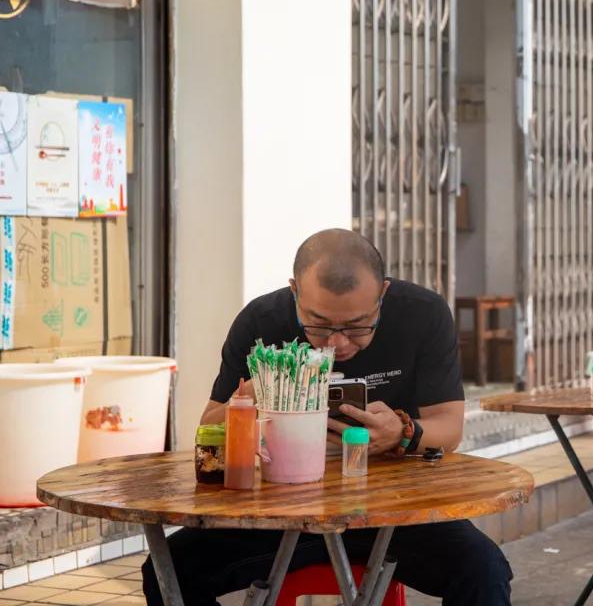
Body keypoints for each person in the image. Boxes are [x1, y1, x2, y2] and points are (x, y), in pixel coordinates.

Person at [142, 229, 512, 606]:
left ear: (382, 294)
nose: (337, 343)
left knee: (483, 570)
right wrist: (257, 390)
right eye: (317, 324)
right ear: (295, 291)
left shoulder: (422, 314)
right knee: (167, 569)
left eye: (357, 326)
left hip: (395, 509)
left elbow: (449, 427)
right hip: (280, 512)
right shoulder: (261, 321)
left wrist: (403, 433)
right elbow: (210, 428)